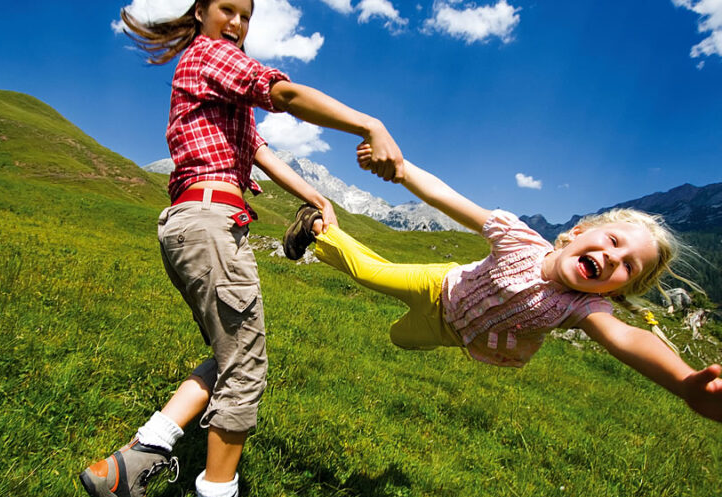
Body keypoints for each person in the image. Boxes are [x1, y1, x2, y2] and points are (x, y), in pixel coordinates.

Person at [79, 1, 403, 497]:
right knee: (246, 367)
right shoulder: (209, 54)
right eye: (226, 9)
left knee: (231, 354)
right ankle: (217, 491)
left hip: (195, 226)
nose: (236, 23)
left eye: (245, 16)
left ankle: (132, 463)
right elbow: (285, 93)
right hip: (210, 224)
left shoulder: (219, 89)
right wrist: (368, 125)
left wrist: (315, 197)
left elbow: (258, 151)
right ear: (201, 12)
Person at [282, 150, 722, 424]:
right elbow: (447, 199)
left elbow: (627, 337)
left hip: (448, 334)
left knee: (398, 339)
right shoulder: (517, 236)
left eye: (627, 266)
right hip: (439, 286)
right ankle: (320, 226)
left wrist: (685, 383)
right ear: (580, 231)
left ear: (612, 290)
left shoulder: (582, 308)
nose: (612, 257)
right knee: (370, 272)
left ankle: (402, 323)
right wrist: (401, 169)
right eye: (612, 241)